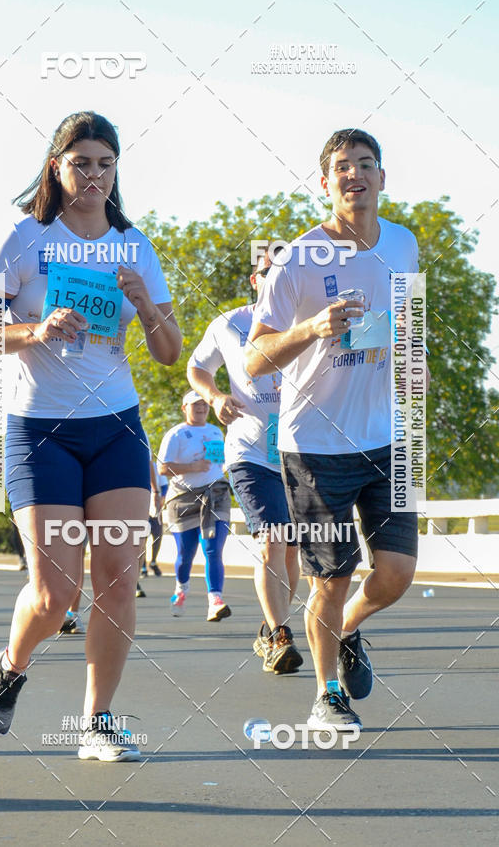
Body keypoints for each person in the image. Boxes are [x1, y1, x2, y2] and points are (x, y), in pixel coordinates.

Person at [0, 111, 181, 761]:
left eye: (105, 164)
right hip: (42, 431)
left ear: (116, 172)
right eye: (81, 161)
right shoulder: (22, 239)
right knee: (57, 591)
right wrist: (33, 331)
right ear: (56, 167)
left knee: (117, 577)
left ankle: (98, 722)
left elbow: (170, 352)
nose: (93, 174)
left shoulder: (134, 243)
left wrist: (146, 306)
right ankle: (11, 662)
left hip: (116, 426)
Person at [246, 128, 427, 730]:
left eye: (366, 165)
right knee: (332, 575)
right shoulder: (294, 259)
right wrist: (312, 329)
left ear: (382, 178)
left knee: (397, 573)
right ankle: (328, 696)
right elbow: (253, 358)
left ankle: (348, 630)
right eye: (342, 167)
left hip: (391, 437)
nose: (355, 175)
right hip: (316, 444)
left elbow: (404, 323)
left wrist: (412, 359)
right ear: (325, 183)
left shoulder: (402, 245)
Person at [187, 253, 303, 674]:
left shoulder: (307, 321)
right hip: (249, 452)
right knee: (272, 540)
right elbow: (196, 367)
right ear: (256, 280)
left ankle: (270, 629)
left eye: (285, 275)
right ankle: (280, 635)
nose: (277, 281)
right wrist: (215, 397)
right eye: (270, 275)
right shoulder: (229, 324)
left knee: (291, 553)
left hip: (299, 451)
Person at [158, 391, 231, 622]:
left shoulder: (215, 431)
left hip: (214, 494)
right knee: (185, 553)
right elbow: (163, 469)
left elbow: (219, 462)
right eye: (195, 405)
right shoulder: (176, 434)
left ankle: (215, 601)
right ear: (184, 408)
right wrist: (192, 467)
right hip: (183, 498)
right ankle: (181, 589)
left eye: (204, 404)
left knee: (212, 548)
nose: (200, 408)